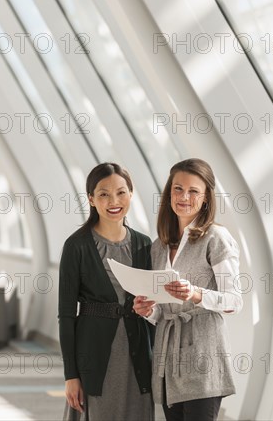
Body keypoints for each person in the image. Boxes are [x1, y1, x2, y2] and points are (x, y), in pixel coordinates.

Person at [133, 158, 243, 421]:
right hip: (168, 358)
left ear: (206, 198)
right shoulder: (159, 246)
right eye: (178, 189)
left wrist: (196, 294)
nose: (184, 197)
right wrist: (147, 311)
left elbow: (235, 301)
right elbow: (164, 312)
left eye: (194, 191)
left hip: (204, 354)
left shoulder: (216, 238)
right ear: (169, 193)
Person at [58, 162, 154, 421]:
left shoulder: (144, 244)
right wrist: (71, 375)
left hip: (138, 358)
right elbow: (66, 316)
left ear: (131, 194)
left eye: (121, 192)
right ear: (91, 199)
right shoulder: (76, 246)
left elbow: (153, 308)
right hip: (95, 358)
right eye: (103, 194)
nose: (114, 200)